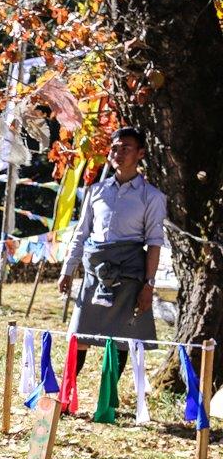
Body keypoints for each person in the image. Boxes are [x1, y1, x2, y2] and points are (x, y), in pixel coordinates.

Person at [57, 126, 166, 383]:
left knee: (120, 340)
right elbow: (81, 233)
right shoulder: (96, 191)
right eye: (114, 147)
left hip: (129, 275)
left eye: (125, 148)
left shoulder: (152, 196)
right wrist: (67, 269)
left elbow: (154, 243)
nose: (118, 152)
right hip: (95, 272)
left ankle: (107, 402)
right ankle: (64, 394)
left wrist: (149, 285)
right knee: (79, 336)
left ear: (140, 153)